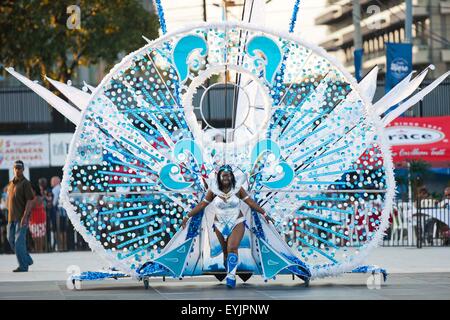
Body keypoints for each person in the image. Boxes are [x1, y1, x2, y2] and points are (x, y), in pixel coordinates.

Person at [181, 165, 273, 288]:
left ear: (231, 177)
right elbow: (202, 205)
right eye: (223, 175)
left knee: (232, 247)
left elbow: (250, 202)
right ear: (219, 177)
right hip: (219, 224)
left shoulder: (238, 189)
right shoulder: (213, 190)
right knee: (226, 254)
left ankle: (231, 276)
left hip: (237, 222)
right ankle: (229, 269)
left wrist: (264, 213)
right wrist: (187, 216)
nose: (226, 177)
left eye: (228, 175)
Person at [6, 160, 34, 272]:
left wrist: (25, 216)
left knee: (19, 243)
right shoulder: (11, 183)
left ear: (23, 169)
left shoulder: (25, 183)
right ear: (13, 169)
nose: (17, 170)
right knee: (10, 239)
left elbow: (30, 200)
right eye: (15, 168)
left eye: (19, 168)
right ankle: (27, 259)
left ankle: (23, 266)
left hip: (21, 218)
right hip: (10, 218)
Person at [28, 184, 47, 253]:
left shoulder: (37, 198)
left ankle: (40, 250)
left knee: (39, 237)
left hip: (39, 220)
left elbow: (31, 205)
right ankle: (38, 250)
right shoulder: (33, 198)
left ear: (34, 191)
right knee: (35, 237)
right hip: (34, 220)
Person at [51, 176, 67, 251]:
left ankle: (60, 247)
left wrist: (52, 205)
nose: (51, 183)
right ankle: (65, 246)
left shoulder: (55, 189)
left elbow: (54, 201)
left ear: (55, 181)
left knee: (59, 229)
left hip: (58, 211)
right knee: (64, 230)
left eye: (52, 181)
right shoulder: (63, 188)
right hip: (64, 211)